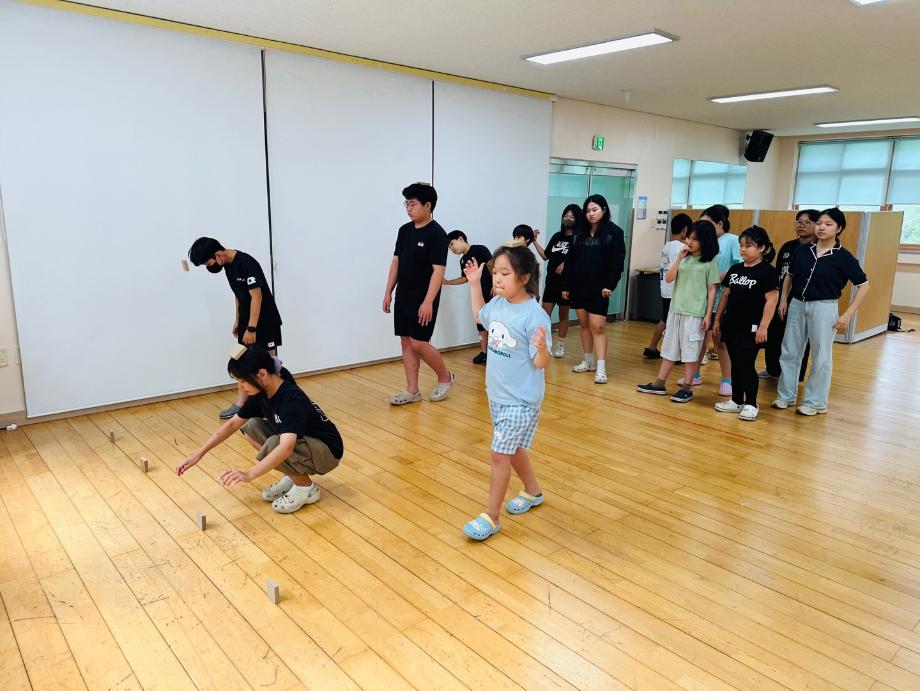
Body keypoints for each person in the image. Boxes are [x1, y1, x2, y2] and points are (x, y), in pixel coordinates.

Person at [176, 347, 343, 514]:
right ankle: (292, 476)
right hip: (306, 444)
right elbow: (232, 424)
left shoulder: (290, 398)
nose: (240, 387)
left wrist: (248, 475)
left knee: (276, 443)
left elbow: (287, 447)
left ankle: (306, 488)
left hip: (327, 452)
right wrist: (198, 454)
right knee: (251, 427)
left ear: (262, 374)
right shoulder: (262, 393)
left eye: (242, 381)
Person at [460, 242, 550, 541]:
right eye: (495, 272)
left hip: (521, 400)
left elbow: (540, 363)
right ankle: (533, 491)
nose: (497, 278)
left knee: (500, 454)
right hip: (497, 395)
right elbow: (479, 316)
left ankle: (492, 516)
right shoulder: (498, 304)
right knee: (514, 449)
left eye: (504, 273)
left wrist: (541, 349)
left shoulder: (534, 316)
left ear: (523, 277)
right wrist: (474, 284)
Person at [773, 208, 870, 416]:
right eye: (819, 223)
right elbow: (789, 276)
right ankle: (785, 395)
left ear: (838, 228)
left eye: (828, 224)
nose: (821, 228)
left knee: (821, 356)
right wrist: (783, 300)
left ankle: (815, 402)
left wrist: (847, 314)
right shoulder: (802, 250)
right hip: (797, 304)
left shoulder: (843, 257)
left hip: (824, 307)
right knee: (790, 350)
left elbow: (864, 286)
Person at [188, 237, 284, 419]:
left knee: (270, 365)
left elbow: (257, 297)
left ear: (218, 255)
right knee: (239, 361)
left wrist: (252, 329)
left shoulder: (246, 264)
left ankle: (279, 404)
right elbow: (238, 294)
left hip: (264, 321)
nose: (209, 267)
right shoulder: (228, 266)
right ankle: (241, 404)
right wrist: (238, 320)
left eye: (208, 264)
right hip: (247, 321)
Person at [382, 183, 455, 405]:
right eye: (406, 204)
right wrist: (388, 292)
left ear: (428, 205)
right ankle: (412, 391)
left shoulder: (437, 234)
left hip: (424, 298)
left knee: (419, 343)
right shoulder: (404, 230)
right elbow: (396, 262)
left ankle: (445, 377)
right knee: (406, 342)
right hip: (403, 295)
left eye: (412, 204)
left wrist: (428, 302)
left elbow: (438, 271)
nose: (408, 209)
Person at [636, 220, 720, 403]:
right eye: (689, 237)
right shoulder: (684, 258)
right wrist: (679, 258)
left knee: (690, 352)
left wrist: (708, 315)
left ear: (705, 241)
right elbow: (668, 278)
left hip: (694, 314)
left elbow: (712, 289)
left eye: (695, 239)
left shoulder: (710, 262)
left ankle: (687, 388)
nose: (689, 242)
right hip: (675, 311)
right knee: (669, 348)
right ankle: (659, 383)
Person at [712, 226, 779, 421]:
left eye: (748, 246)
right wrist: (718, 319)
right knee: (735, 364)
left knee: (746, 364)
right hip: (732, 324)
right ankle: (736, 400)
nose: (743, 249)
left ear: (762, 248)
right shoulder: (736, 269)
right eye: (741, 245)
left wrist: (764, 327)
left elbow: (771, 301)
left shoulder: (768, 272)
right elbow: (726, 295)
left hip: (752, 327)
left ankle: (751, 404)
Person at [561, 194, 627, 384]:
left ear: (604, 210)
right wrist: (566, 285)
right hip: (578, 285)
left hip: (600, 288)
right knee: (584, 324)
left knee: (598, 327)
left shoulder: (614, 232)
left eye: (595, 210)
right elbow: (570, 261)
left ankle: (601, 367)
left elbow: (617, 262)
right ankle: (588, 360)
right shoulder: (578, 232)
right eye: (588, 210)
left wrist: (610, 284)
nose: (591, 214)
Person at [684, 205, 741, 393]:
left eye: (707, 223)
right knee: (698, 339)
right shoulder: (703, 242)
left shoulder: (732, 240)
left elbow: (739, 266)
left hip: (722, 299)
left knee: (719, 341)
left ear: (720, 224)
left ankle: (727, 380)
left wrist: (719, 277)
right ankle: (694, 375)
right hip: (702, 300)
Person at [759, 209, 818, 380]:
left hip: (802, 300)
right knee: (774, 334)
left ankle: (795, 375)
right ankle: (773, 369)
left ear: (816, 225)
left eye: (807, 222)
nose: (801, 225)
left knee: (799, 339)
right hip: (781, 298)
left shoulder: (817, 249)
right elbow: (779, 273)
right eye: (799, 222)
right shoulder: (787, 246)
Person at [644, 213, 692, 359]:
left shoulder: (667, 245)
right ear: (685, 229)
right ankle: (672, 353)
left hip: (665, 289)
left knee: (665, 319)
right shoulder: (683, 247)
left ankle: (653, 347)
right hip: (675, 290)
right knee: (673, 322)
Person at [443, 230, 493, 364]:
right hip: (478, 294)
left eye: (452, 244)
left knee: (493, 322)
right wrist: (447, 282)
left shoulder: (480, 249)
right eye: (449, 248)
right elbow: (464, 278)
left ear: (460, 239)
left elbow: (493, 265)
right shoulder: (462, 260)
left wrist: (496, 285)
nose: (452, 249)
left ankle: (494, 352)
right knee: (480, 322)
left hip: (491, 292)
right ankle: (484, 352)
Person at [542, 204, 583, 358]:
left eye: (572, 216)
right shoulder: (557, 236)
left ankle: (560, 346)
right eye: (566, 215)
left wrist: (566, 264)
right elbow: (545, 256)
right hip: (551, 281)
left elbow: (580, 258)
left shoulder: (579, 238)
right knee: (543, 315)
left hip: (566, 283)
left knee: (563, 315)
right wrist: (533, 241)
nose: (568, 218)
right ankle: (544, 345)